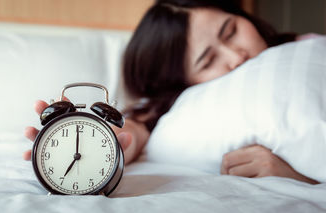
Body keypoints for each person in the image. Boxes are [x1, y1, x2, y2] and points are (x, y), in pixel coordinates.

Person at [23, 0, 319, 185]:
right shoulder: (187, 109)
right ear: (179, 84)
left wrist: (297, 174)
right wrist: (122, 137)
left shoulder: (311, 49)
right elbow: (143, 122)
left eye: (230, 31)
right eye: (207, 60)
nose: (237, 55)